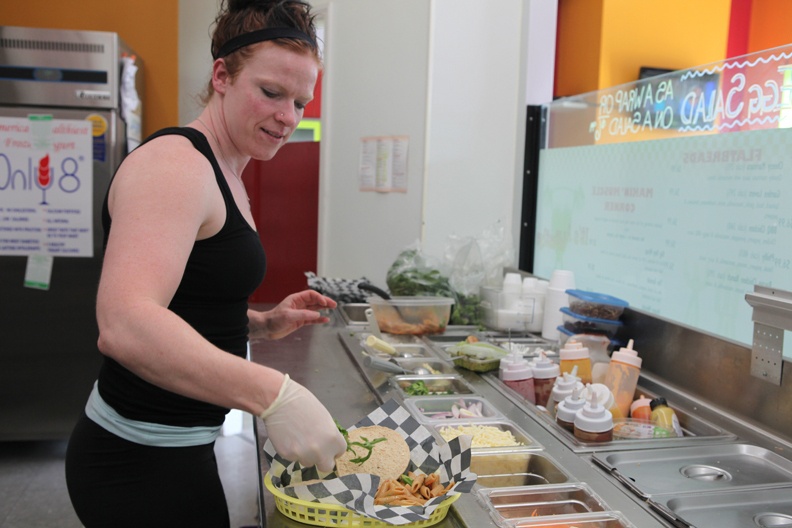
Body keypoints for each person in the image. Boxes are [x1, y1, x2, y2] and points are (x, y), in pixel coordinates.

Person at [65, 1, 347, 526]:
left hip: (179, 450)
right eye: (271, 92)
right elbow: (125, 324)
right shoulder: (175, 166)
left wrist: (258, 323)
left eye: (301, 102)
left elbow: (183, 298)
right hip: (133, 461)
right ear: (222, 75)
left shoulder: (227, 172)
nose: (288, 116)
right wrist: (277, 396)